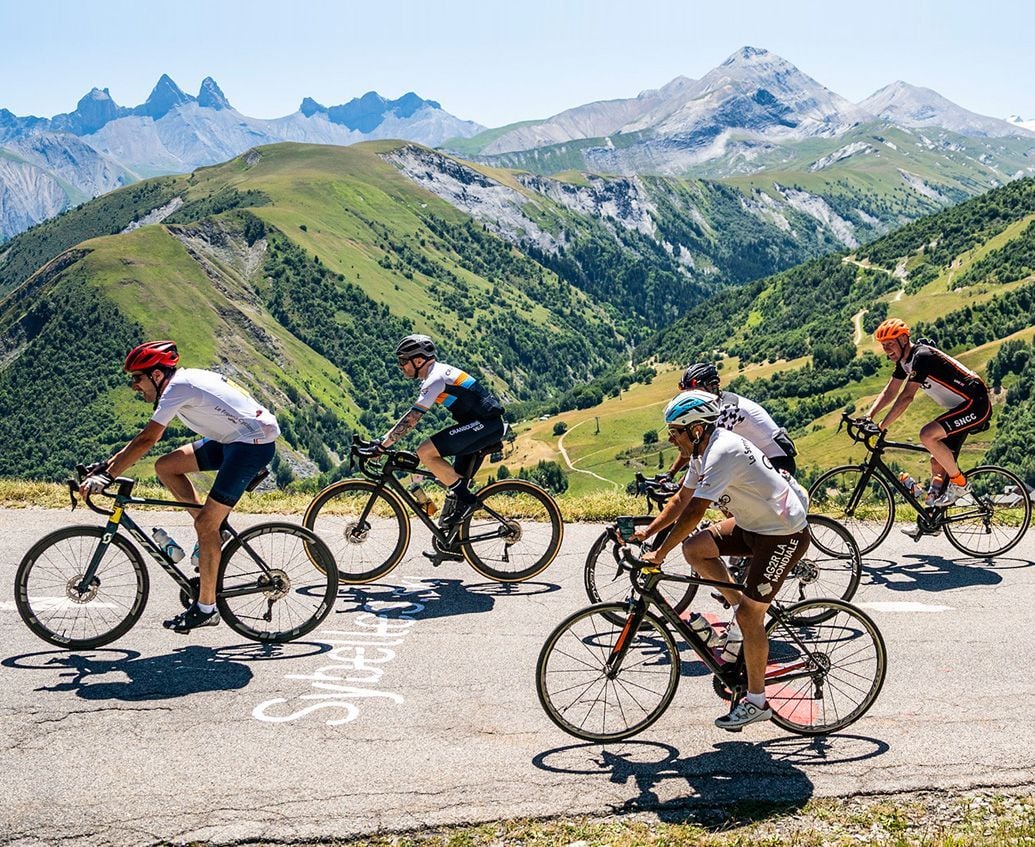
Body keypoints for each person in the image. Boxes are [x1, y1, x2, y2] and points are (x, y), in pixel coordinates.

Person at [629, 389, 811, 731]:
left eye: (675, 432)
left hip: (782, 532)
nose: (671, 439)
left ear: (696, 429)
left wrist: (660, 553)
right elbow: (682, 500)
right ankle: (740, 623)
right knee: (696, 550)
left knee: (749, 614)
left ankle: (756, 701)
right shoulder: (701, 451)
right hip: (752, 525)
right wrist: (646, 533)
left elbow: (696, 511)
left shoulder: (722, 451)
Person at [79, 341, 280, 633]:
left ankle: (206, 608)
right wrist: (105, 467)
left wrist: (108, 476)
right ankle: (214, 529)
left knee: (205, 526)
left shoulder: (177, 389)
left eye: (138, 377)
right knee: (166, 467)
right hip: (233, 439)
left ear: (157, 375)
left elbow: (147, 439)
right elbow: (142, 443)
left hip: (251, 445)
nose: (135, 386)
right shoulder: (181, 383)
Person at [376, 334, 505, 537]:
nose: (400, 366)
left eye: (403, 361)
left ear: (418, 360)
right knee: (454, 489)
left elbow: (412, 419)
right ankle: (453, 545)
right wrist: (384, 441)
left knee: (425, 451)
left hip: (486, 425)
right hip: (479, 425)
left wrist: (382, 445)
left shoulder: (435, 379)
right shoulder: (436, 374)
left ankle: (469, 501)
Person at [865, 318, 991, 517]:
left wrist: (881, 426)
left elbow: (906, 397)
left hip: (975, 402)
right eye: (883, 345)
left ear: (904, 339)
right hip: (960, 406)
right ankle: (931, 520)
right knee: (937, 461)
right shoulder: (904, 362)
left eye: (890, 343)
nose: (887, 349)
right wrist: (868, 416)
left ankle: (961, 485)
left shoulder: (921, 356)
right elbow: (890, 392)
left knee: (927, 435)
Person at [663, 362, 796, 480]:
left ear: (711, 386)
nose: (690, 397)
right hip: (758, 460)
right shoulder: (713, 406)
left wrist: (679, 486)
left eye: (693, 391)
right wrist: (670, 474)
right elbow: (694, 443)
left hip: (778, 460)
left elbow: (703, 450)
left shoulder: (726, 410)